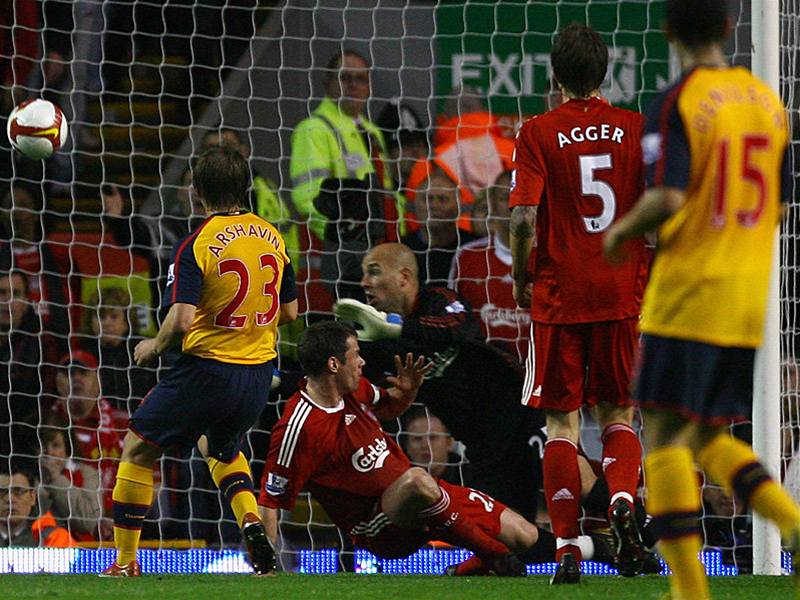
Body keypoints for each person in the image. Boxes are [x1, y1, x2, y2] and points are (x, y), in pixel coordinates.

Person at [603, 1, 800, 598]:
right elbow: (780, 207)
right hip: (746, 296)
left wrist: (619, 232)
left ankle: (689, 591)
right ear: (729, 27)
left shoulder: (678, 99)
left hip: (688, 291)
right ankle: (792, 524)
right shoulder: (767, 103)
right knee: (709, 435)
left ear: (669, 32)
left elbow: (667, 196)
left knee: (663, 437)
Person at [332, 243, 626, 568]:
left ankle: (651, 530)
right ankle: (600, 548)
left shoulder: (439, 300)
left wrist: (396, 327)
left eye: (373, 271)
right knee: (509, 538)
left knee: (580, 485)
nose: (365, 282)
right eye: (364, 274)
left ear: (403, 277)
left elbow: (461, 329)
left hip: (522, 411)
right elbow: (349, 383)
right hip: (485, 447)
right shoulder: (376, 344)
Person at [258, 320, 600, 577]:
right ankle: (494, 555)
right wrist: (267, 568)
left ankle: (599, 549)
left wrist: (407, 392)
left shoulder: (354, 389)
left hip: (425, 497)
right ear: (334, 365)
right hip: (379, 526)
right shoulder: (297, 427)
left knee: (522, 533)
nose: (362, 362)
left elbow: (389, 407)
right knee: (417, 481)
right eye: (355, 355)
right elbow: (270, 502)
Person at [100, 146, 298, 577]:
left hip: (208, 369)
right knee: (219, 446)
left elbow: (182, 320)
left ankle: (125, 562)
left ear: (197, 192)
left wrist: (153, 346)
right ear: (246, 188)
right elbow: (290, 312)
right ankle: (250, 519)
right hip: (257, 376)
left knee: (137, 449)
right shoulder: (274, 237)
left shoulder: (197, 244)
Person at [508, 22, 651, 583]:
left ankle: (568, 547)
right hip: (620, 293)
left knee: (561, 425)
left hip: (559, 296)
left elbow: (523, 218)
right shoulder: (635, 129)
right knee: (618, 414)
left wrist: (521, 274)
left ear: (554, 74)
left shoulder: (538, 131)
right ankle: (622, 500)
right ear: (605, 73)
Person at [290, 49, 404, 300]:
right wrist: (346, 242)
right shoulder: (314, 130)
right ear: (328, 82)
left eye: (361, 79)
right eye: (345, 77)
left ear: (369, 87)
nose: (353, 84)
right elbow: (309, 199)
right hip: (337, 261)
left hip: (376, 255)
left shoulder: (372, 132)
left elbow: (385, 196)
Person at [449, 171, 531, 361]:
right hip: (483, 369)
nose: (513, 205)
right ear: (492, 205)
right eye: (505, 198)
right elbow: (453, 318)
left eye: (521, 197)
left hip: (537, 367)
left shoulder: (548, 256)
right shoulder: (467, 256)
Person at [78, 286, 157, 417]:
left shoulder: (145, 349)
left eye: (114, 317)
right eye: (101, 317)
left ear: (126, 320)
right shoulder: (82, 354)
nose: (107, 323)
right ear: (90, 321)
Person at [401, 167, 478, 287]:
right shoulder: (401, 250)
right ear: (415, 205)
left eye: (442, 199)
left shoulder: (475, 248)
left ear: (459, 207)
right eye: (428, 199)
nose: (434, 205)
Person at [38, 414, 104, 539]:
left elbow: (88, 522)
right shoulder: (25, 478)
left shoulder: (88, 474)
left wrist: (56, 479)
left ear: (67, 449)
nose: (50, 453)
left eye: (56, 446)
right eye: (43, 446)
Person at [0, 461, 76, 547]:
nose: (10, 499)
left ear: (32, 497)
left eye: (18, 491)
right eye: (1, 492)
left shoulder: (56, 538)